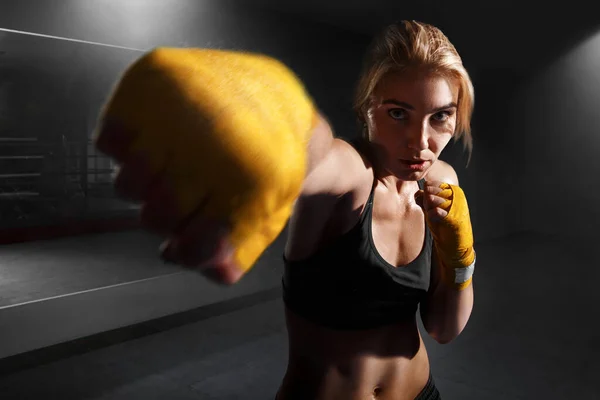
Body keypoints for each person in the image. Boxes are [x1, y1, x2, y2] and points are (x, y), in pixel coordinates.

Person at [95, 20, 476, 400]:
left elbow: (444, 329)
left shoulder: (441, 183)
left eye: (440, 116)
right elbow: (320, 154)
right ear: (367, 108)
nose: (420, 141)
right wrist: (289, 120)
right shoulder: (352, 174)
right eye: (398, 113)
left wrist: (460, 259)